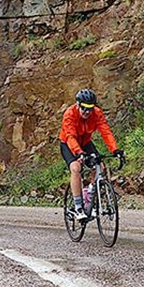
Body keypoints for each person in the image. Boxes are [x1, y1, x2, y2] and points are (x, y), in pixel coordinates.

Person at [59, 88, 121, 221]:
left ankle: (90, 194)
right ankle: (78, 207)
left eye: (90, 108)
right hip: (69, 143)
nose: (87, 111)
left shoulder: (96, 113)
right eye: (84, 108)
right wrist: (78, 152)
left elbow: (106, 132)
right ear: (77, 105)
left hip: (85, 142)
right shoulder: (70, 114)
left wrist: (115, 150)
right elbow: (70, 136)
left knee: (100, 166)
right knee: (76, 168)